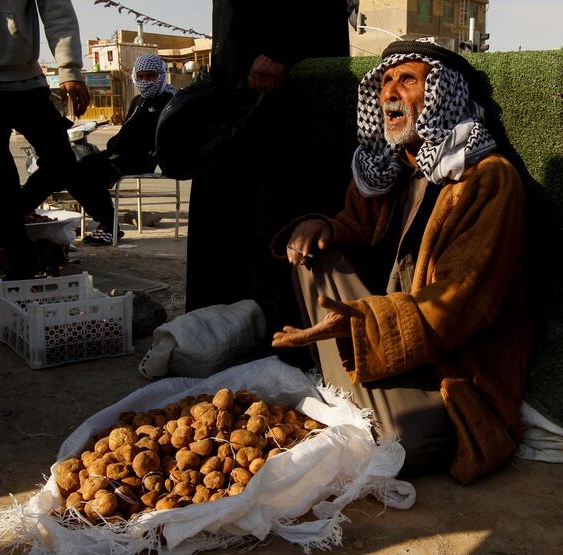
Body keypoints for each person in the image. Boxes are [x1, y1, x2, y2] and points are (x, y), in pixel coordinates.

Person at [271, 40, 533, 485]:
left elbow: (461, 302)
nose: (389, 92)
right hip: (385, 339)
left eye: (408, 80)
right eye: (385, 81)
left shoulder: (488, 180)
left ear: (439, 97)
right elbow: (354, 226)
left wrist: (363, 325)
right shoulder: (390, 170)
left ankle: (359, 394)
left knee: (401, 443)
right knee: (312, 253)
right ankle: (356, 389)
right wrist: (325, 227)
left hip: (451, 371)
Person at [184, 1, 352, 313]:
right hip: (237, 86)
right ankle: (224, 333)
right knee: (227, 231)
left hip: (285, 86)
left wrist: (283, 49)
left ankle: (279, 341)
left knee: (279, 220)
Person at [0, 0, 89, 279]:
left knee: (62, 161)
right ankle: (20, 275)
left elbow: (58, 13)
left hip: (25, 82)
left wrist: (70, 69)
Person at [58, 54, 174, 245]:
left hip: (139, 159)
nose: (146, 81)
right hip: (118, 155)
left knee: (89, 176)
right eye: (142, 76)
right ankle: (106, 222)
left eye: (151, 76)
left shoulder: (169, 101)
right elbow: (126, 132)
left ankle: (108, 226)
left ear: (161, 75)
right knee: (72, 171)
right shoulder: (138, 101)